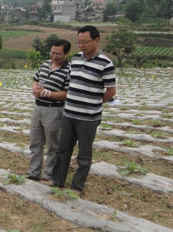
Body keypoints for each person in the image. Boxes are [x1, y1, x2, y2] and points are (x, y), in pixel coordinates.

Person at [51, 25, 116, 192]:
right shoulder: (76, 58)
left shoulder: (106, 63)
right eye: (79, 42)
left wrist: (94, 101)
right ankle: (58, 181)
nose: (81, 45)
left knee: (84, 154)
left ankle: (77, 186)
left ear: (96, 40)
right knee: (63, 149)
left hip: (88, 117)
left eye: (85, 42)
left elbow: (111, 91)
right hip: (69, 113)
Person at [28, 40, 71, 182]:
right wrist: (35, 88)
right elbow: (36, 79)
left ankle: (48, 174)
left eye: (58, 53)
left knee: (53, 145)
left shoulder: (68, 70)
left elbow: (67, 93)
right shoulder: (46, 64)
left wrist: (48, 94)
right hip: (38, 108)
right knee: (35, 142)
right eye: (52, 52)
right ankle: (33, 172)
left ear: (66, 53)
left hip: (55, 110)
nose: (54, 56)